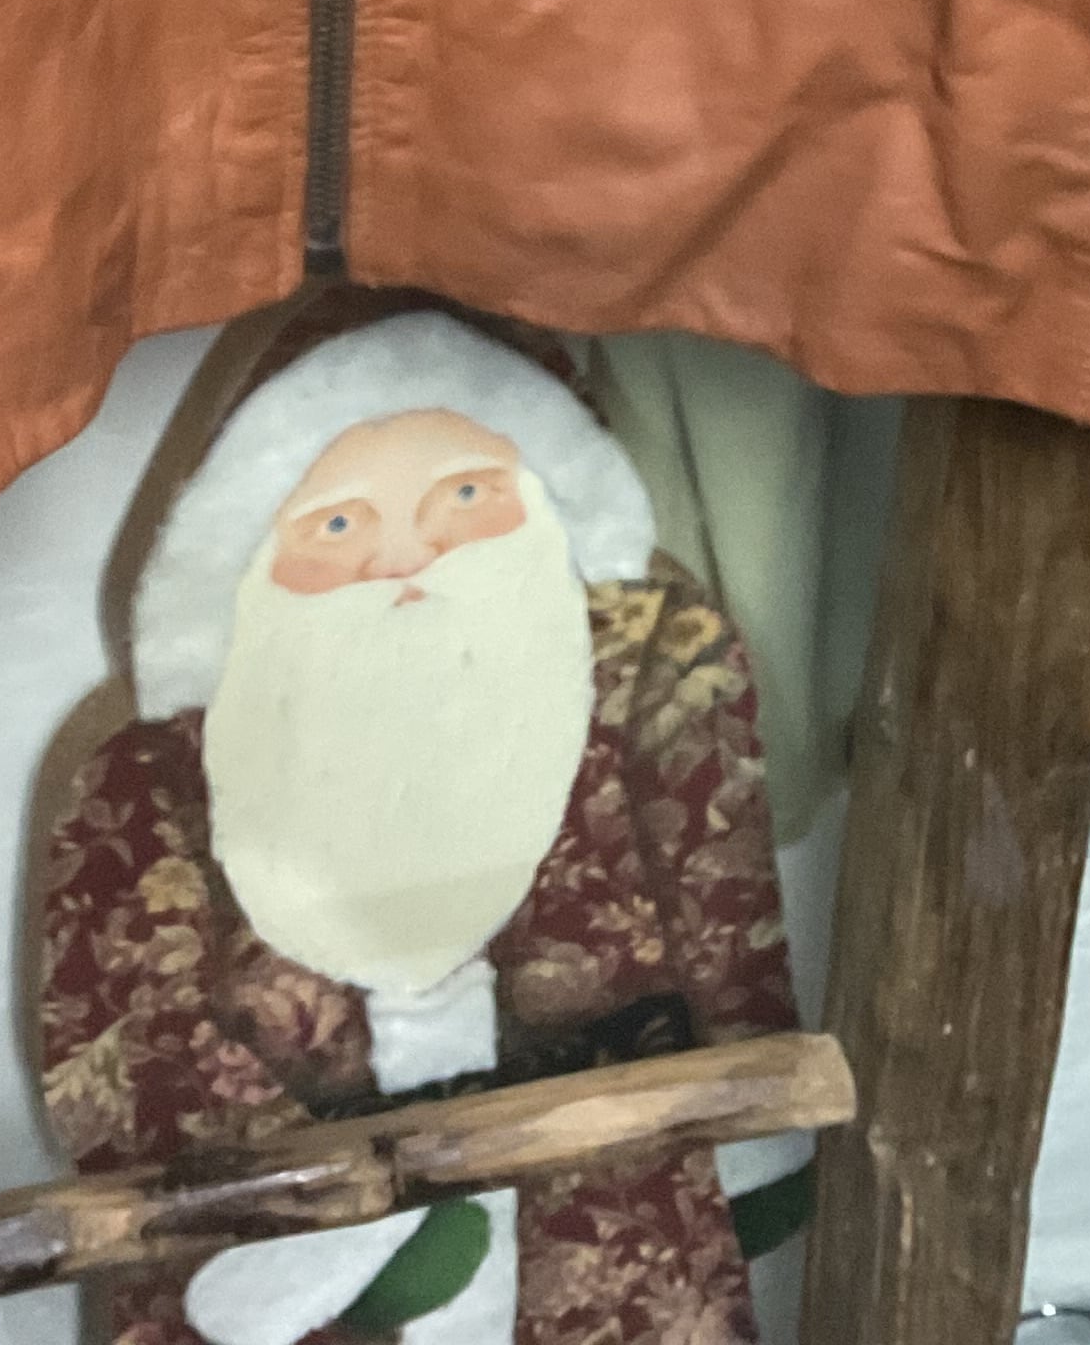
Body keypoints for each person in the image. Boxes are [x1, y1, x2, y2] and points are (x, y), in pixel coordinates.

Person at [40, 312, 798, 1345]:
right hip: (292, 1279)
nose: (407, 557)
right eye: (339, 527)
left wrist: (760, 1122)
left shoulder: (646, 688)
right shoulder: (144, 782)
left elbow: (723, 903)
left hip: (606, 1220)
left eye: (466, 498)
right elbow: (128, 1047)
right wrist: (323, 1234)